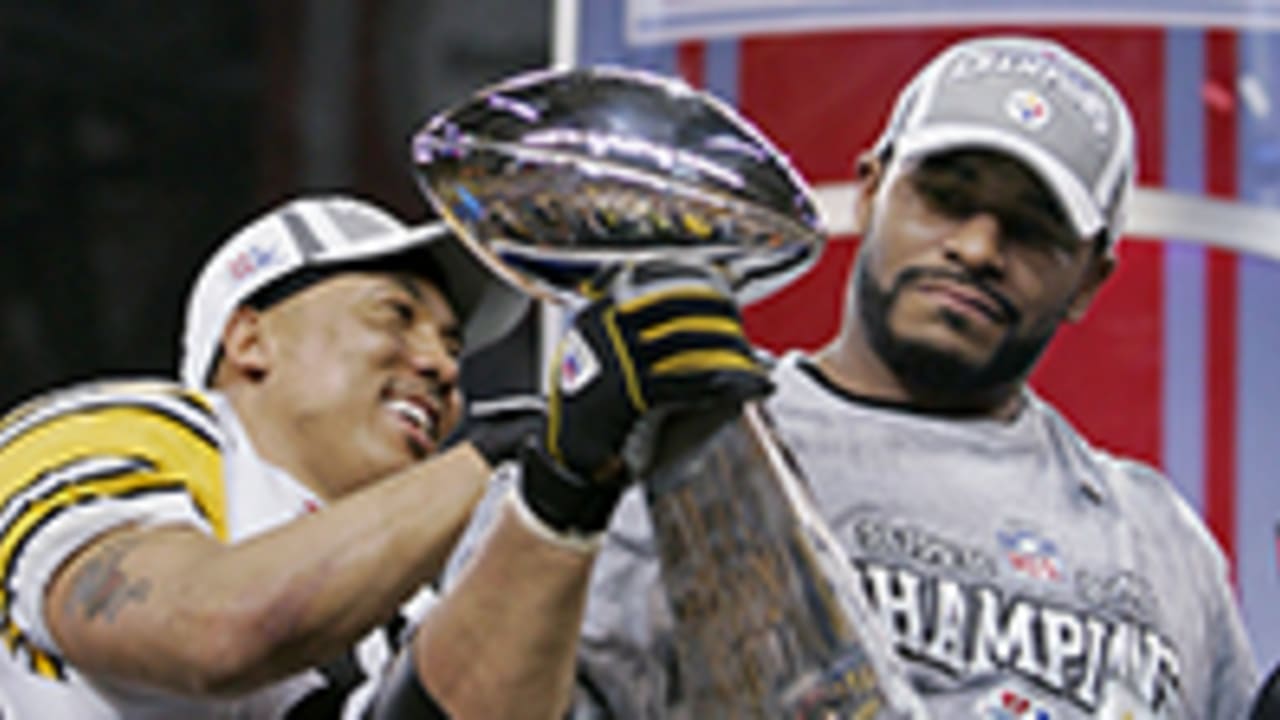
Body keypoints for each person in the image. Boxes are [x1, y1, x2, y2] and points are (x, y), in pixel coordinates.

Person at [442, 35, 1260, 718]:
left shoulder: (1159, 540)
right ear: (870, 192)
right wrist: (560, 494)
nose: (976, 248)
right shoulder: (676, 442)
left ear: (1088, 279)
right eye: (945, 195)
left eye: (1032, 228)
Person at [0, 194, 769, 718]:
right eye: (395, 315)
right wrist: (501, 457)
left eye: (453, 345)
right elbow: (216, 630)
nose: (440, 366)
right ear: (249, 339)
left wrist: (564, 495)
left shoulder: (417, 602)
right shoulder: (121, 428)